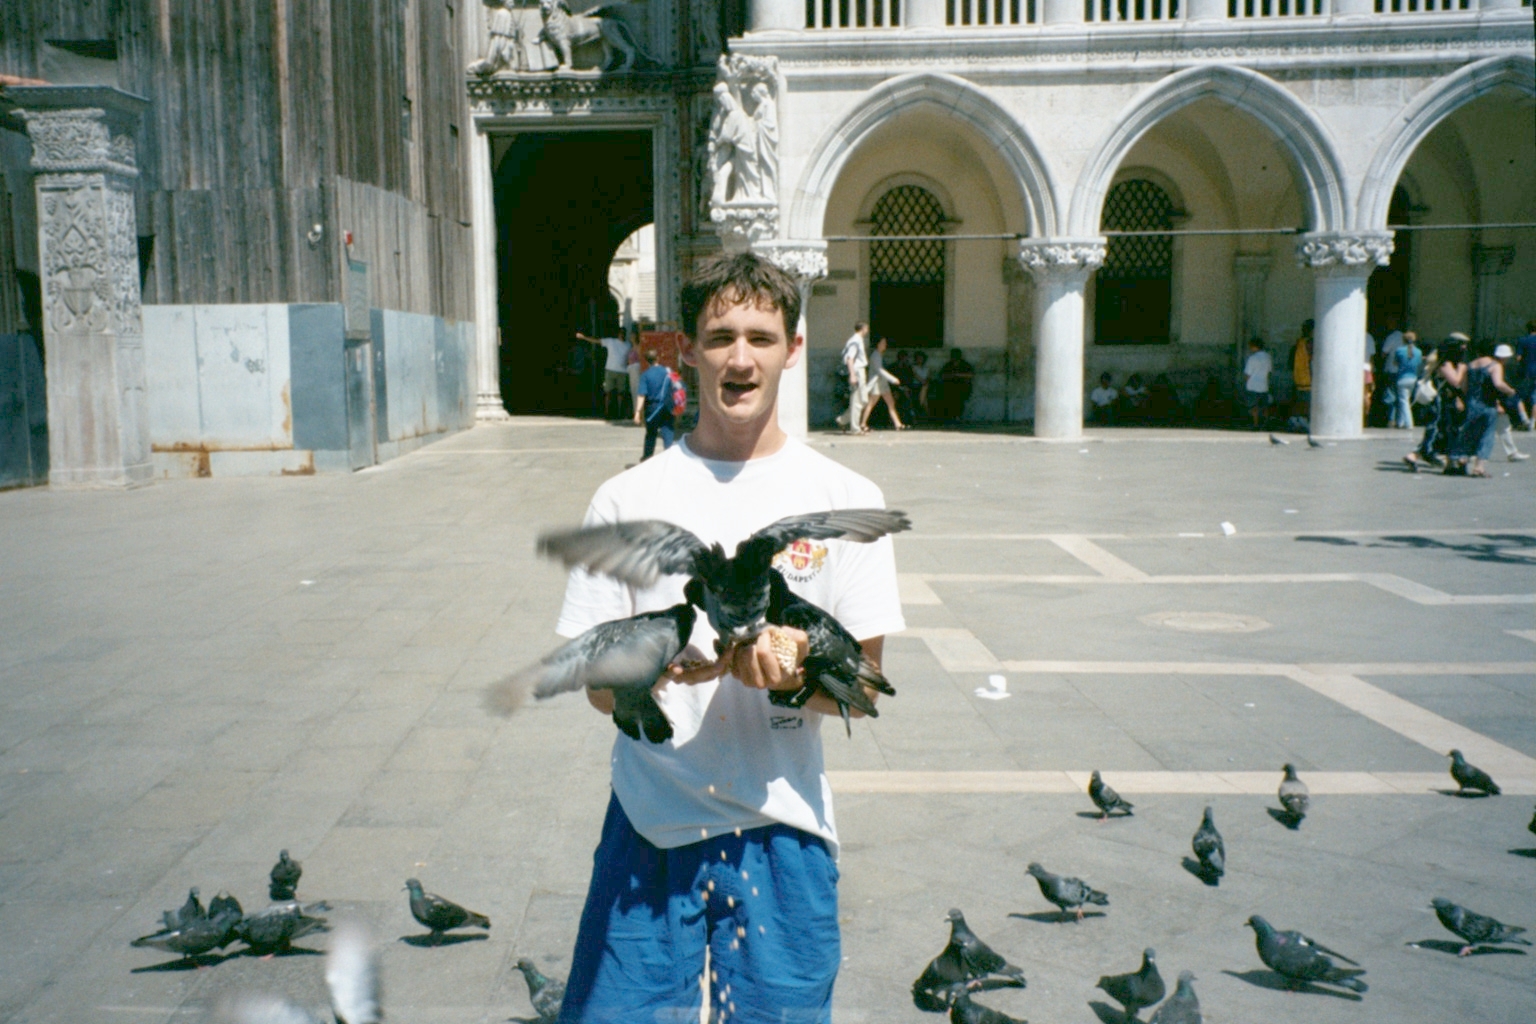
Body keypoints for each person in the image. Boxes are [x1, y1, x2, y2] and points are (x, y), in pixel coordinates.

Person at [554, 252, 903, 1023]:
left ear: (794, 348)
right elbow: (597, 685)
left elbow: (869, 685)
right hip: (649, 826)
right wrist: (647, 668)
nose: (739, 358)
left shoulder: (846, 497)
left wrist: (797, 668)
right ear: (686, 349)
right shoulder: (627, 496)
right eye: (718, 337)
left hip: (784, 833)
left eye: (759, 336)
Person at [1444, 338, 1515, 477]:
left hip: (1471, 404)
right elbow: (1498, 383)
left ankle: (1462, 459)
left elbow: (1463, 387)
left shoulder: (1470, 365)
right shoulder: (1495, 365)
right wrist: (1511, 391)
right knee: (1486, 435)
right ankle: (1479, 467)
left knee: (1469, 432)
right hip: (1488, 404)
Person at [576, 330, 632, 419]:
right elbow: (597, 341)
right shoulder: (611, 341)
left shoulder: (628, 345)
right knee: (608, 392)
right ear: (618, 334)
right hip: (610, 370)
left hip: (622, 371)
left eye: (623, 333)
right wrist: (584, 338)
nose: (622, 334)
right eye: (621, 333)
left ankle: (620, 412)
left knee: (621, 393)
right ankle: (607, 412)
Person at [633, 348, 676, 460]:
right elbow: (676, 388)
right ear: (658, 358)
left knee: (651, 434)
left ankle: (647, 458)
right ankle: (670, 457)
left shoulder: (645, 375)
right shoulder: (668, 372)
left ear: (647, 361)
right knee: (668, 431)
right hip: (667, 406)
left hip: (652, 408)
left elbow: (642, 394)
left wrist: (637, 412)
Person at [859, 336, 906, 431]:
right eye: (883, 343)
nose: (885, 345)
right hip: (877, 383)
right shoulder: (875, 355)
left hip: (882, 382)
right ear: (878, 344)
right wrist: (892, 379)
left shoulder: (879, 355)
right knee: (871, 404)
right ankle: (863, 423)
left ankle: (897, 423)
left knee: (891, 403)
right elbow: (879, 370)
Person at [1491, 344, 1529, 462]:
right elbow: (1493, 387)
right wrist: (1500, 401)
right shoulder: (1496, 368)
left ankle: (1512, 452)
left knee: (1504, 427)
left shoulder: (1497, 366)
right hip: (1492, 403)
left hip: (1493, 403)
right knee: (1499, 428)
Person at [836, 321, 870, 434]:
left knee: (863, 400)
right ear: (863, 328)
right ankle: (855, 428)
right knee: (857, 401)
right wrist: (853, 375)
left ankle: (842, 420)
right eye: (866, 328)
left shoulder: (857, 340)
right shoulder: (855, 341)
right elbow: (850, 358)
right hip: (857, 371)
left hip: (860, 371)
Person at [1386, 331, 1422, 430]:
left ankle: (1408, 423)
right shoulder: (1418, 351)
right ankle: (1400, 422)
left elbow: (1395, 363)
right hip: (1413, 378)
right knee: (1406, 400)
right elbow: (1419, 364)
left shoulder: (1399, 350)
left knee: (1403, 401)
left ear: (1403, 340)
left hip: (1402, 378)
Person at [933, 348, 975, 422]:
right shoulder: (948, 365)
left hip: (963, 387)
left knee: (959, 400)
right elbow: (942, 375)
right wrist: (951, 376)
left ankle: (957, 416)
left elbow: (970, 375)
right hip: (949, 388)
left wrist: (958, 375)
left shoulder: (965, 365)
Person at [1242, 339, 1272, 430]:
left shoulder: (1252, 358)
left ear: (1254, 347)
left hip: (1253, 385)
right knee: (1264, 406)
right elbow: (1269, 372)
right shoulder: (1268, 357)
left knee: (1254, 406)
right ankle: (1265, 423)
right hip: (1264, 385)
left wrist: (1245, 382)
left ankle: (1255, 424)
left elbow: (1248, 374)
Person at [1291, 320, 1314, 421]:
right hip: (1308, 378)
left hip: (1299, 377)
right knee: (1308, 403)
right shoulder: (1310, 343)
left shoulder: (1298, 343)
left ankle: (1299, 420)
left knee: (1301, 402)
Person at [1516, 319, 1536, 425]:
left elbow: (1518, 358)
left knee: (1518, 396)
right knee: (1535, 397)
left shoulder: (1522, 340)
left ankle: (1524, 419)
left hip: (1526, 372)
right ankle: (1533, 422)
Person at [910, 350, 931, 420]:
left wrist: (925, 382)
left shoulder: (927, 368)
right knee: (925, 400)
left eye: (921, 358)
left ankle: (920, 405)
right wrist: (923, 382)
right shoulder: (913, 367)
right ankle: (927, 415)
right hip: (916, 385)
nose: (920, 360)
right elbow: (916, 376)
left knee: (925, 387)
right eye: (918, 358)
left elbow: (928, 377)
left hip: (925, 385)